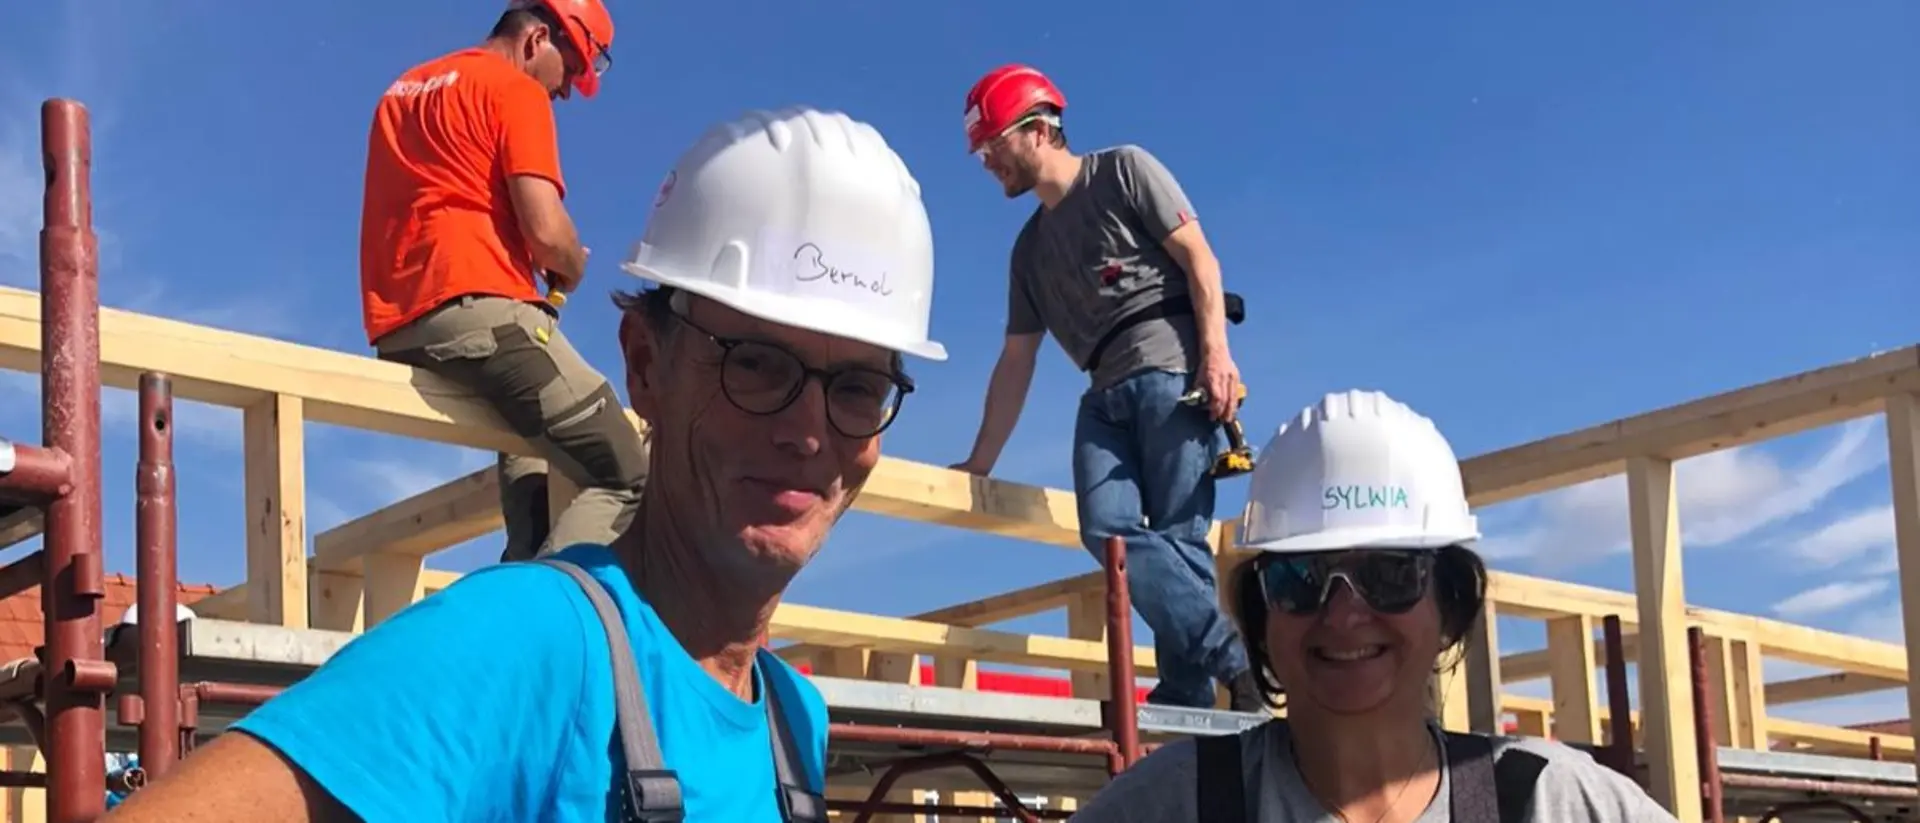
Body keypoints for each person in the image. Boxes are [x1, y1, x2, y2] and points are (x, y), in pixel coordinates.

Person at [100, 105, 947, 821]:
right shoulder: (531, 641)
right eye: (756, 362)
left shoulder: (791, 717)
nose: (808, 430)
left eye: (859, 386)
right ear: (645, 367)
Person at [1070, 390, 1678, 822]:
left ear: (1450, 600)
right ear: (1262, 612)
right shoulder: (1177, 803)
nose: (1342, 615)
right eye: (1300, 578)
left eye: (1390, 575)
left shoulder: (1549, 801)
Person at [949, 63, 1259, 711]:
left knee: (1179, 534)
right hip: (1103, 389)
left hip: (1173, 370)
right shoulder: (1028, 251)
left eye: (991, 145)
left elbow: (1200, 258)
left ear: (1037, 130)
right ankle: (1231, 657)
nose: (985, 163)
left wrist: (1218, 356)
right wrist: (981, 459)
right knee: (1107, 531)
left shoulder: (1123, 170)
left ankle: (1189, 690)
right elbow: (1015, 361)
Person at [358, 0, 647, 563]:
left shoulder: (403, 90)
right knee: (627, 471)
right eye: (570, 69)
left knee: (536, 465)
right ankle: (540, 622)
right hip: (481, 316)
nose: (564, 92)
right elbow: (545, 230)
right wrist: (571, 261)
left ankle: (527, 567)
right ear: (538, 38)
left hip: (402, 324)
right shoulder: (514, 89)